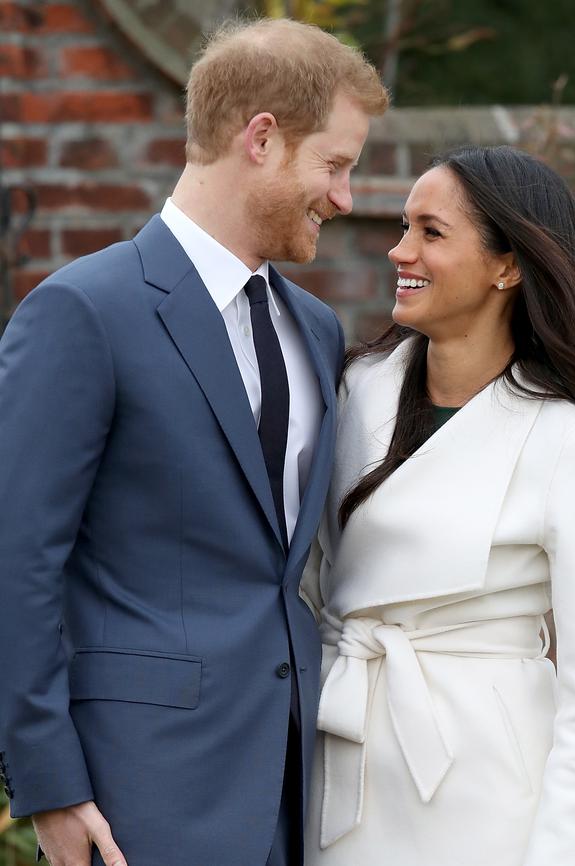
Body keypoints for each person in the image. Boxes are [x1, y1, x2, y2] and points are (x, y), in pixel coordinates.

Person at [0, 17, 388, 866]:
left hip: (293, 792)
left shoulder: (315, 329)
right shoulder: (83, 312)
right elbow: (15, 560)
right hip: (137, 794)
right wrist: (50, 786)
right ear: (261, 140)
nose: (346, 198)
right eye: (335, 164)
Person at [301, 145, 575, 866]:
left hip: (489, 800)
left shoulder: (572, 446)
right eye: (405, 226)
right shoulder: (351, 389)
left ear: (507, 265)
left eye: (431, 232)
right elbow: (305, 581)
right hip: (341, 767)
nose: (400, 250)